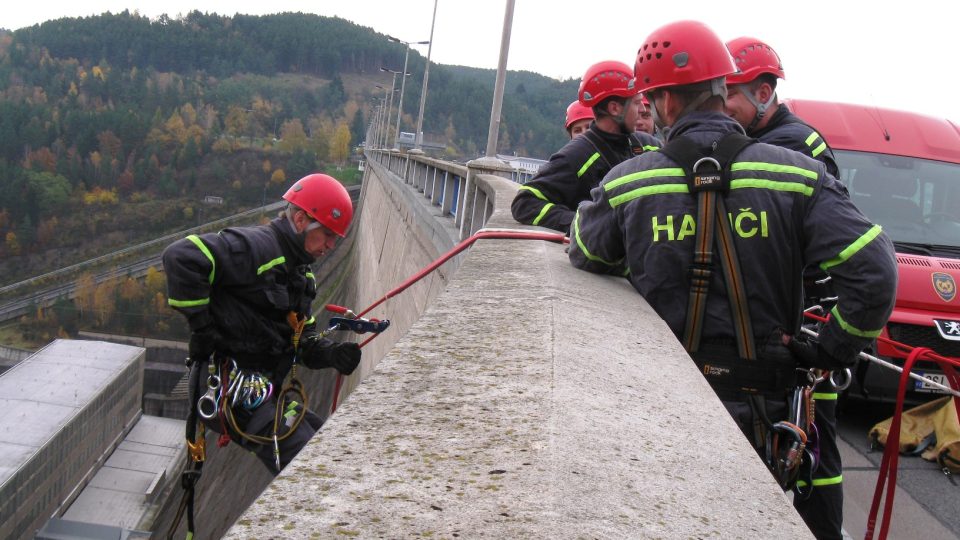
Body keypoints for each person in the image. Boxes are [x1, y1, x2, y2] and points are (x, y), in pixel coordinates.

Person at [569, 20, 897, 540]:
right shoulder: (796, 175)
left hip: (659, 406)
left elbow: (586, 250)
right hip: (764, 417)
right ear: (724, 89)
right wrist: (831, 349)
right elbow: (875, 273)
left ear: (664, 103)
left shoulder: (630, 182)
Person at [725, 35, 847, 535]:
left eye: (728, 93)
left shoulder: (790, 147)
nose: (722, 106)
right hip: (798, 315)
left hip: (806, 321)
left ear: (762, 89)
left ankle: (819, 529)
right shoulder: (774, 138)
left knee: (812, 442)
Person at [163, 173, 362, 473]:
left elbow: (301, 343)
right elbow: (180, 257)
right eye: (328, 234)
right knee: (310, 465)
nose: (331, 245)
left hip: (262, 391)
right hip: (229, 387)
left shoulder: (301, 276)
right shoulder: (258, 247)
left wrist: (331, 354)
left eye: (336, 238)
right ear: (300, 220)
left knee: (330, 445)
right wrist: (202, 329)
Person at [511, 60, 660, 232]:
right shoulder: (576, 156)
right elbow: (525, 203)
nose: (642, 109)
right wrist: (583, 224)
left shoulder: (650, 146)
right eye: (636, 102)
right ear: (614, 108)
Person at [724, 36, 839, 178]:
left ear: (763, 94)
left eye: (729, 95)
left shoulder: (790, 144)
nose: (720, 105)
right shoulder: (758, 135)